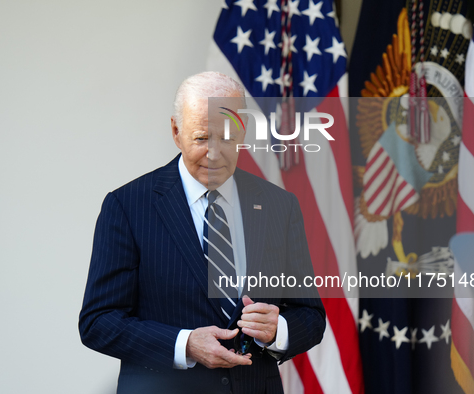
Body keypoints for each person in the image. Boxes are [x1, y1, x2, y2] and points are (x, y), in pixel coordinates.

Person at [79, 72, 326, 394]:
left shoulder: (280, 206)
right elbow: (98, 321)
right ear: (175, 131)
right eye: (201, 138)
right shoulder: (127, 206)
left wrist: (278, 328)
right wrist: (185, 344)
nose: (214, 153)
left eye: (226, 137)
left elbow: (311, 315)